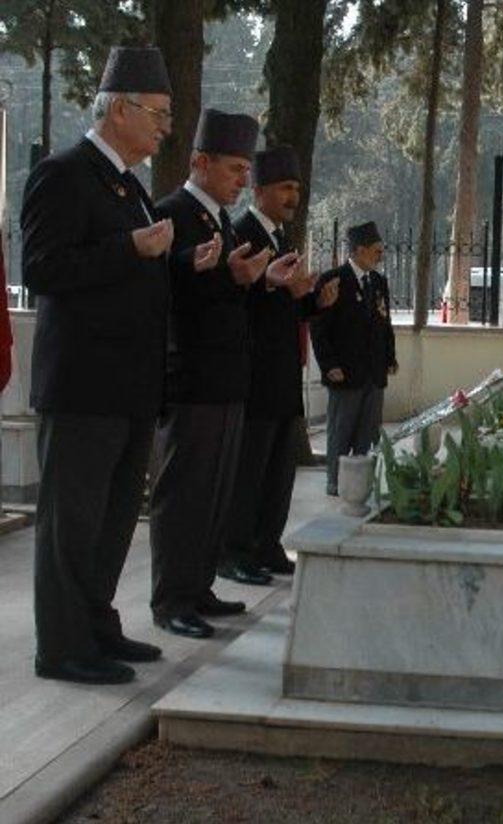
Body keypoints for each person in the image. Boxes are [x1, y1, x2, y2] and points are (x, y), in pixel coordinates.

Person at [20, 47, 173, 684]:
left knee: (111, 521)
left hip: (128, 386)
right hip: (83, 385)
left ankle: (96, 626)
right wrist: (127, 247)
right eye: (157, 114)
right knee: (72, 524)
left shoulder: (129, 185)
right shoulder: (63, 174)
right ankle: (62, 647)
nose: (165, 127)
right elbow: (42, 269)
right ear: (118, 110)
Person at [150, 109, 299, 639]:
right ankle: (172, 600)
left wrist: (260, 280)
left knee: (214, 495)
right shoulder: (172, 213)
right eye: (235, 169)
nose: (242, 180)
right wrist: (216, 272)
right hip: (192, 380)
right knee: (184, 496)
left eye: (245, 171)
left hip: (227, 379)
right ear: (200, 162)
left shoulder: (220, 220)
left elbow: (227, 295)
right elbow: (163, 292)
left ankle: (198, 588)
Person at [223, 147, 337, 577]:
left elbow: (286, 305)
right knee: (249, 470)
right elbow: (236, 302)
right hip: (254, 375)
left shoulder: (282, 240)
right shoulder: (242, 234)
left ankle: (267, 544)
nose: (293, 197)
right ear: (260, 190)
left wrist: (313, 301)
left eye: (297, 189)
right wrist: (271, 287)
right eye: (285, 188)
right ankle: (235, 551)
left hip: (283, 375)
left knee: (278, 469)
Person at [311, 221, 398, 496]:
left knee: (368, 433)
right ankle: (336, 482)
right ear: (359, 250)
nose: (380, 256)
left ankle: (361, 483)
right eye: (376, 250)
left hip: (374, 372)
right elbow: (319, 328)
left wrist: (390, 357)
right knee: (341, 430)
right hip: (345, 373)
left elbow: (385, 323)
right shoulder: (333, 280)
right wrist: (329, 365)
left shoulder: (378, 282)